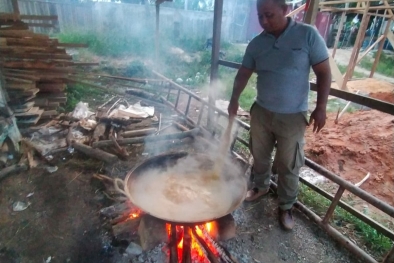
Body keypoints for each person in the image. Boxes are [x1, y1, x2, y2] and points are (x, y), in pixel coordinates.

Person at [227, 0, 331, 230]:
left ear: (285, 10)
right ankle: (261, 186)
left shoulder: (307, 35)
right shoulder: (256, 44)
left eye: (269, 15)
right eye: (260, 15)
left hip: (293, 116)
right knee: (260, 155)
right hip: (262, 112)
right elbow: (243, 74)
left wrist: (321, 106)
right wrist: (234, 99)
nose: (264, 21)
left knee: (289, 164)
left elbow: (324, 73)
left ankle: (286, 206)